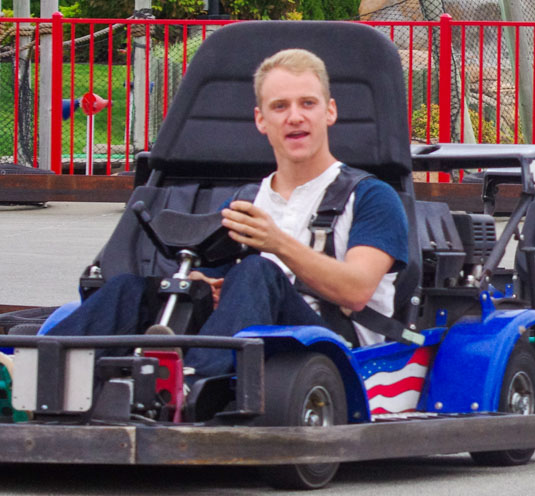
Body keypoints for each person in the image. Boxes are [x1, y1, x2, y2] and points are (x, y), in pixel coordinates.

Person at [51, 49, 410, 377]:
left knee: (258, 271)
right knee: (134, 288)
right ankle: (40, 370)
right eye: (280, 107)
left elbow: (357, 290)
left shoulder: (371, 196)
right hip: (253, 345)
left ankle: (193, 383)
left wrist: (278, 245)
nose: (295, 117)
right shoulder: (246, 202)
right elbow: (212, 281)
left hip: (337, 350)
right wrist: (201, 285)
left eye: (307, 104)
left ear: (329, 111)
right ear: (261, 119)